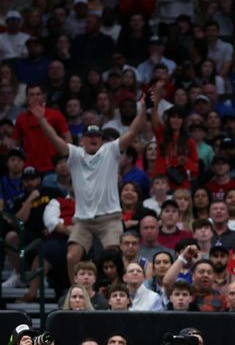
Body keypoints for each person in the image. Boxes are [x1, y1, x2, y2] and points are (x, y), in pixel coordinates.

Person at [31, 94, 148, 277]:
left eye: (97, 136)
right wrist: (41, 120)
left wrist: (143, 110)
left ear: (101, 140)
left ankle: (116, 294)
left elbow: (132, 132)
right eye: (89, 136)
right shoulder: (75, 154)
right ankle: (76, 295)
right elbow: (55, 140)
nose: (93, 139)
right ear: (82, 140)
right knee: (71, 257)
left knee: (115, 256)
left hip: (109, 218)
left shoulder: (110, 151)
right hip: (83, 219)